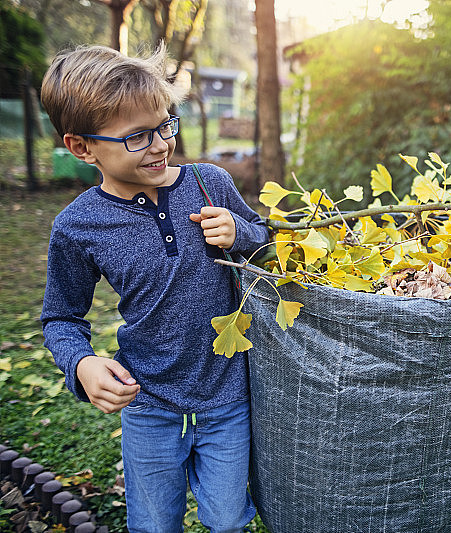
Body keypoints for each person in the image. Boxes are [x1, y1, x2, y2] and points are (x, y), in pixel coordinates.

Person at [40, 44, 268, 532]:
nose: (161, 144)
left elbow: (264, 240)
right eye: (139, 136)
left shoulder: (210, 183)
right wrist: (80, 363)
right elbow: (60, 317)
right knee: (154, 524)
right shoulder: (78, 226)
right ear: (82, 147)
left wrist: (241, 233)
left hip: (226, 398)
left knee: (228, 520)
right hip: (148, 405)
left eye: (165, 123)